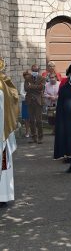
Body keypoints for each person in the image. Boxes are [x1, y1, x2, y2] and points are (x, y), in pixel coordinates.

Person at [0, 57, 19, 208]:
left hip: (2, 130)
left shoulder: (4, 83)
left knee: (3, 163)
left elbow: (13, 100)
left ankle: (3, 195)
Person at [24, 65, 45, 144]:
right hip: (30, 101)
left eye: (35, 71)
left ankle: (40, 137)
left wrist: (31, 86)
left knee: (39, 120)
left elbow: (41, 88)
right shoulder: (27, 78)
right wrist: (36, 87)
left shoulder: (42, 78)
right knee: (31, 120)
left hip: (38, 101)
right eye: (33, 70)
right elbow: (26, 88)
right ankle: (34, 137)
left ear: (38, 71)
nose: (34, 72)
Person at [20, 73, 30, 138]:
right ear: (24, 77)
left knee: (33, 118)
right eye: (25, 77)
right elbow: (21, 93)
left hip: (33, 102)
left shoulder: (33, 83)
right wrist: (27, 97)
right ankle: (27, 132)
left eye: (28, 77)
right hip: (25, 101)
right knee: (26, 118)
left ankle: (33, 132)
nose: (27, 78)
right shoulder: (22, 84)